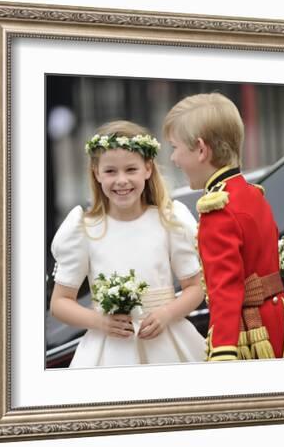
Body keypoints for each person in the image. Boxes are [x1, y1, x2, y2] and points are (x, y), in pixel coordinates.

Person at [50, 120, 206, 367]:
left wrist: (167, 314)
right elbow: (60, 303)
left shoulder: (169, 220)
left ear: (147, 169)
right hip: (108, 351)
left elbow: (195, 287)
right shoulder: (84, 228)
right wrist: (100, 321)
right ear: (96, 173)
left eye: (131, 169)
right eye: (111, 171)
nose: (121, 180)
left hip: (167, 342)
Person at [163, 92, 284, 361]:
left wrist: (223, 351)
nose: (173, 159)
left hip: (249, 333)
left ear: (201, 149)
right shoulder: (251, 193)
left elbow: (225, 291)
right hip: (276, 320)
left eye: (175, 148)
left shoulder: (218, 208)